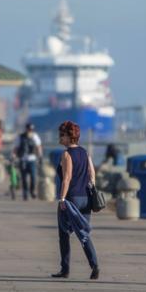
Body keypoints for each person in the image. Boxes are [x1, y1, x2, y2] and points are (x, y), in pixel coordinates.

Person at [52, 120, 99, 280]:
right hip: (85, 198)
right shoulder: (85, 153)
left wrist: (62, 199)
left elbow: (67, 178)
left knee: (64, 234)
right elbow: (92, 174)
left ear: (69, 137)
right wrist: (90, 188)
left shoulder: (66, 154)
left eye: (62, 135)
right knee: (84, 233)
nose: (59, 138)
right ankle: (95, 265)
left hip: (71, 199)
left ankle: (65, 269)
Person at [13, 123, 42, 200]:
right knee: (24, 178)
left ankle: (32, 191)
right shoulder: (20, 137)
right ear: (26, 129)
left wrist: (40, 156)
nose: (30, 131)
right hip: (23, 160)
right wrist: (14, 156)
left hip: (32, 160)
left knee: (33, 177)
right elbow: (16, 148)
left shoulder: (35, 137)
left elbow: (38, 146)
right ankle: (25, 193)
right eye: (29, 129)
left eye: (31, 129)